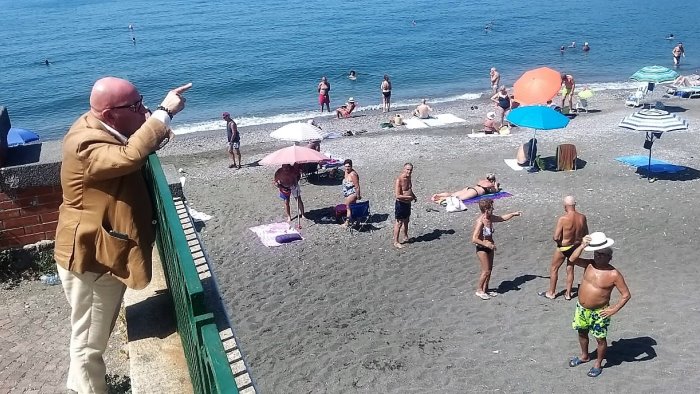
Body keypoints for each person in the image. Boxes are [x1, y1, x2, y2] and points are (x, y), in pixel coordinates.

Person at [53, 77, 191, 393]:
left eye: (142, 101)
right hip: (91, 258)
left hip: (104, 252)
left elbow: (134, 146)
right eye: (136, 105)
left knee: (94, 329)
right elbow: (128, 156)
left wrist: (153, 122)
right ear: (111, 114)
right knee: (88, 342)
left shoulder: (105, 127)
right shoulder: (84, 143)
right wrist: (163, 113)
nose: (143, 108)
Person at [567, 233, 631, 378]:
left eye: (602, 254)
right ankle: (584, 356)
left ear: (609, 257)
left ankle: (598, 364)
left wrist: (614, 309)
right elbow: (572, 259)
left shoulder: (614, 274)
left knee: (600, 339)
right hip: (582, 309)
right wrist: (582, 245)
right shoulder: (589, 264)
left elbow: (626, 295)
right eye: (597, 253)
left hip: (599, 312)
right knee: (581, 332)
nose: (598, 256)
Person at [538, 196, 589, 300]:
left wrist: (560, 242)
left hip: (564, 247)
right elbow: (586, 234)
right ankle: (568, 294)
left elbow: (556, 237)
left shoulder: (563, 219)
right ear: (575, 205)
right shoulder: (582, 217)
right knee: (570, 268)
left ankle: (551, 292)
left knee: (554, 268)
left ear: (565, 206)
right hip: (576, 247)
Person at [471, 199, 522, 300]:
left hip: (490, 247)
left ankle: (486, 289)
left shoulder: (490, 218)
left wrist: (513, 214)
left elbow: (502, 218)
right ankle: (479, 290)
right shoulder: (480, 221)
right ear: (486, 209)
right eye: (491, 207)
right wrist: (486, 244)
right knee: (485, 271)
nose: (493, 209)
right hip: (482, 249)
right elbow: (474, 238)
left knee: (489, 270)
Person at [431, 173, 500, 203]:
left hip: (469, 188)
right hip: (474, 192)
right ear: (492, 179)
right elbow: (495, 191)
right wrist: (495, 184)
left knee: (452, 194)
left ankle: (439, 195)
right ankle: (439, 199)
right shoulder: (490, 184)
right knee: (458, 198)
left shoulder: (481, 180)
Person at [393, 163, 416, 249]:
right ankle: (396, 241)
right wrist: (408, 197)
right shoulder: (399, 180)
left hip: (407, 204)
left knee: (406, 221)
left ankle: (405, 236)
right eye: (407, 169)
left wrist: (413, 196)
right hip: (401, 204)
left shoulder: (409, 177)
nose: (409, 171)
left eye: (410, 170)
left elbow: (409, 189)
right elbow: (397, 195)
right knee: (399, 223)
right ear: (404, 169)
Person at [341, 159, 361, 226]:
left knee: (348, 206)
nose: (347, 168)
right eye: (346, 166)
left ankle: (347, 222)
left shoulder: (353, 174)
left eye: (349, 166)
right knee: (352, 207)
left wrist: (358, 196)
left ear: (351, 166)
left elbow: (357, 186)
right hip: (348, 192)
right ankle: (356, 219)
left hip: (353, 193)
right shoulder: (346, 172)